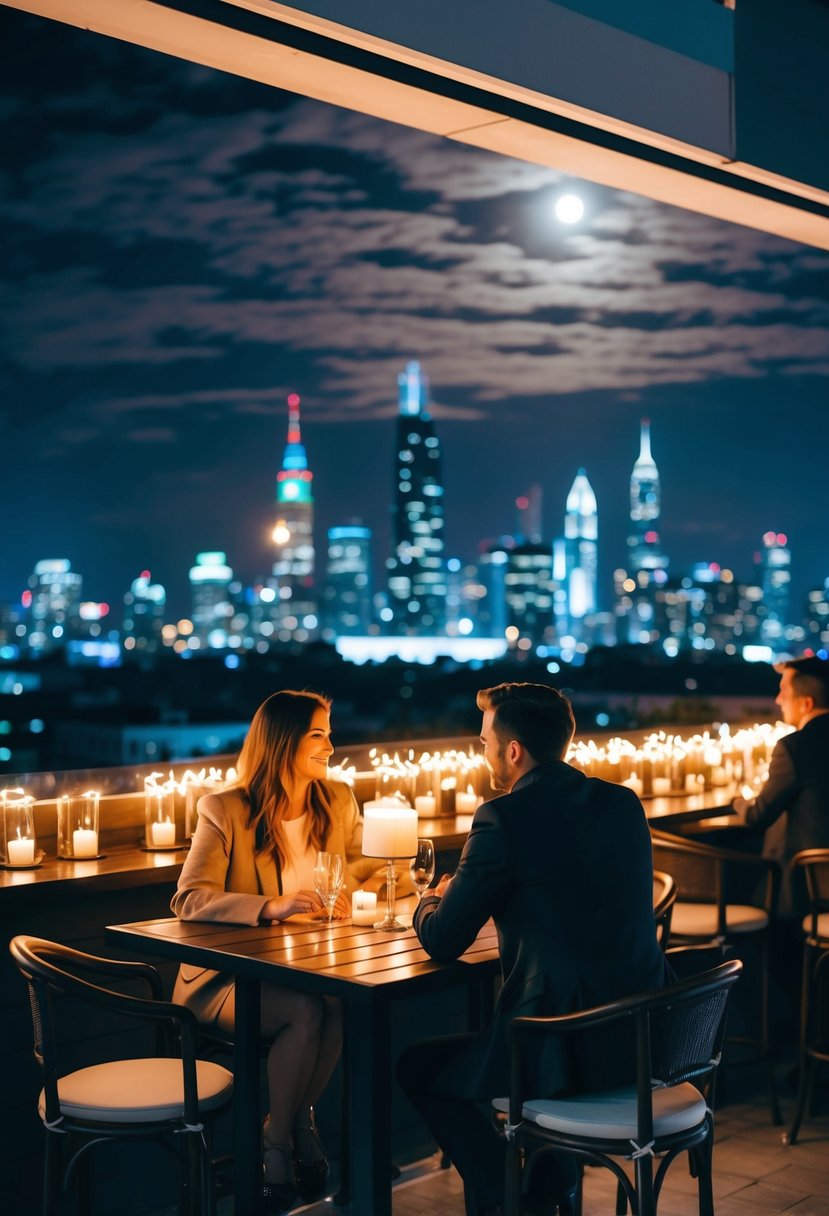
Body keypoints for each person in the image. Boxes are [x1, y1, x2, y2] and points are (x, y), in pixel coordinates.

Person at [398, 682, 671, 1216]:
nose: (483, 753)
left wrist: (430, 899)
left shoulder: (504, 817)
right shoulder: (622, 803)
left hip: (560, 1043)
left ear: (514, 750)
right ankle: (549, 1187)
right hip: (642, 1036)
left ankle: (508, 1198)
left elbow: (443, 940)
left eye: (484, 743)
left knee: (417, 1067)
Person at [171, 689, 379, 1214]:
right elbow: (189, 898)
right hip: (225, 982)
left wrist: (392, 878)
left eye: (329, 734)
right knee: (312, 1009)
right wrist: (271, 906)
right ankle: (281, 1143)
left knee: (339, 1003)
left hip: (310, 969)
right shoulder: (224, 809)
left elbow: (355, 872)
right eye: (318, 735)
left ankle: (289, 1121)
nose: (331, 747)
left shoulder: (338, 800)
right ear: (283, 742)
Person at [732, 655, 829, 917]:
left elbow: (757, 816)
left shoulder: (794, 747)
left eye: (784, 691)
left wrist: (739, 798)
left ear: (807, 703)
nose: (777, 700)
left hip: (813, 888)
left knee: (741, 874)